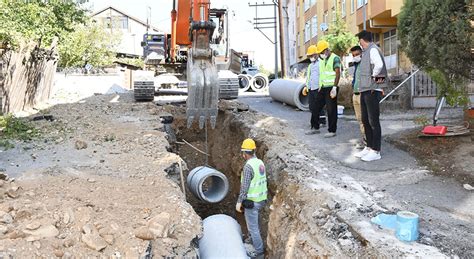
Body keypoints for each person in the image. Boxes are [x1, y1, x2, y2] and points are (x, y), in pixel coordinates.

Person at [354, 30, 388, 161]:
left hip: (372, 90)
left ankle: (376, 150)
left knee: (373, 120)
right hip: (366, 90)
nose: (360, 44)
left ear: (363, 40)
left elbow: (379, 65)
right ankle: (369, 147)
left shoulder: (373, 50)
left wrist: (373, 79)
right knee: (365, 119)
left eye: (360, 41)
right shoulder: (367, 52)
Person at [236, 138, 268, 258]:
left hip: (252, 202)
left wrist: (239, 202)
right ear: (254, 150)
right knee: (255, 223)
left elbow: (244, 187)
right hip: (262, 199)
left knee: (253, 228)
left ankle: (259, 252)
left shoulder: (248, 166)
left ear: (244, 153)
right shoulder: (260, 162)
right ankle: (251, 239)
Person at [310, 40, 341, 138]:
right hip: (323, 87)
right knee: (315, 107)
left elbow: (337, 73)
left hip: (331, 88)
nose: (321, 54)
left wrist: (335, 88)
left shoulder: (335, 58)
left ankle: (332, 130)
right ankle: (315, 127)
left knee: (331, 109)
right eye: (320, 53)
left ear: (327, 50)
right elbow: (322, 74)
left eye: (322, 52)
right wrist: (320, 85)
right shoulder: (322, 60)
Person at [303, 45, 326, 135]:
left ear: (316, 54)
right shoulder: (310, 66)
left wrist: (322, 85)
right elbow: (309, 77)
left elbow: (323, 75)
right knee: (312, 107)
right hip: (311, 88)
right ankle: (316, 123)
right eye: (309, 56)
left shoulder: (321, 63)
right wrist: (306, 86)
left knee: (318, 107)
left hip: (318, 88)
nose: (311, 57)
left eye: (312, 55)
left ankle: (318, 124)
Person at [350, 45, 366, 149]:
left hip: (362, 94)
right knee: (359, 119)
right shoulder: (356, 64)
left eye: (357, 54)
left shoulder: (366, 63)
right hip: (355, 94)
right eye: (353, 55)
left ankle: (368, 141)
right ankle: (364, 139)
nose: (355, 56)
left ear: (361, 53)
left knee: (365, 119)